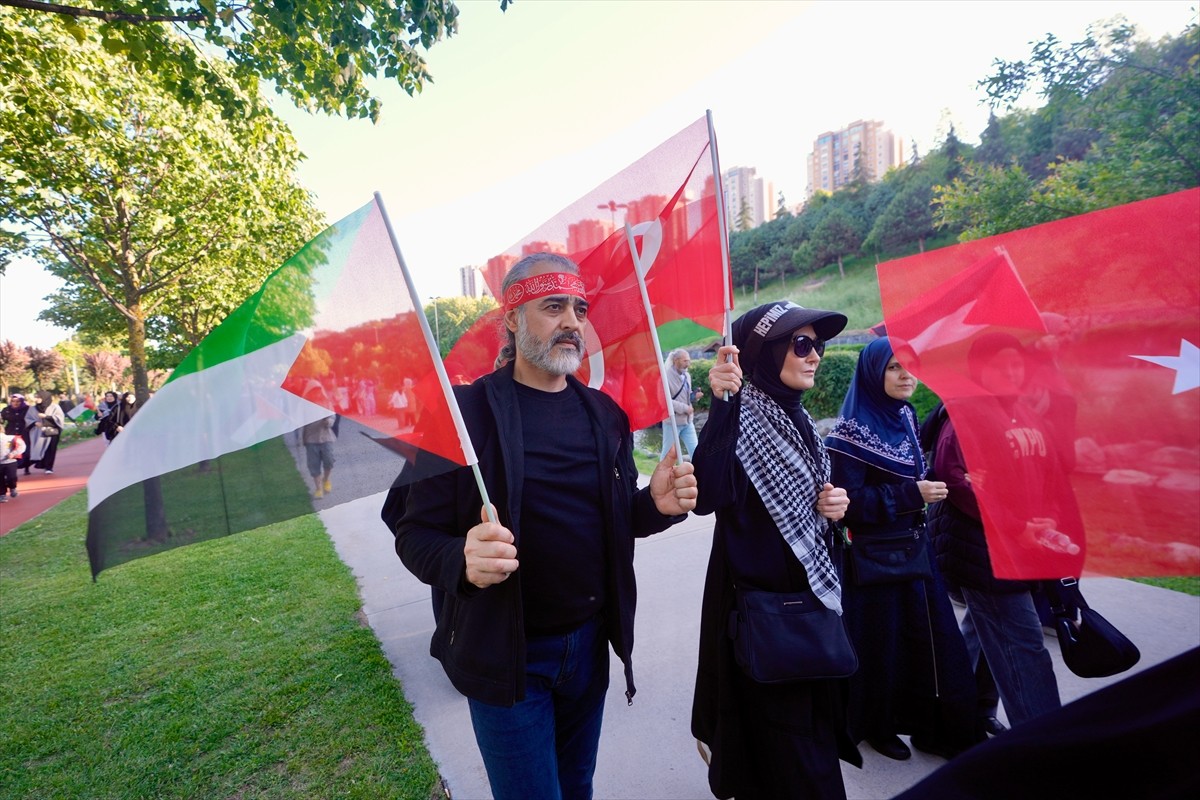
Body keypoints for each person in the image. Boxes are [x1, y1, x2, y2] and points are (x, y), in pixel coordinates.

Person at [386, 252, 697, 800]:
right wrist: (461, 560)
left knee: (577, 786)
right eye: (553, 307)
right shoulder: (465, 416)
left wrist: (655, 505)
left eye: (579, 309)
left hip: (589, 647)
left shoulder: (605, 416)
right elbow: (412, 533)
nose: (572, 322)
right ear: (511, 318)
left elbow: (616, 518)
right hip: (508, 657)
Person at [690, 301, 860, 800]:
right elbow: (708, 495)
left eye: (819, 346)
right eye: (801, 344)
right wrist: (722, 405)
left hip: (809, 617)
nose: (815, 357)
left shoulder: (799, 421)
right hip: (767, 623)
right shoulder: (742, 420)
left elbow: (809, 514)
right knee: (797, 764)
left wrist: (834, 506)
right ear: (762, 354)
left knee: (799, 753)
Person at [825, 337, 982, 761]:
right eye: (894, 367)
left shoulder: (906, 415)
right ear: (874, 374)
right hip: (876, 561)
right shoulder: (848, 433)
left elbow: (916, 470)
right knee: (883, 647)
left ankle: (932, 724)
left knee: (929, 642)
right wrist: (911, 495)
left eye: (910, 365)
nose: (906, 375)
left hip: (916, 548)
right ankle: (879, 726)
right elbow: (847, 505)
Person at [926, 333, 1080, 728]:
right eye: (1002, 365)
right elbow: (955, 480)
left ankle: (963, 718)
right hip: (983, 551)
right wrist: (1014, 524)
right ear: (980, 369)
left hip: (1022, 546)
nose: (1013, 371)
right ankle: (1044, 743)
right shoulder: (964, 412)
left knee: (982, 631)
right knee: (1024, 645)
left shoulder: (1025, 411)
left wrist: (1043, 519)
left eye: (1018, 364)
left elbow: (1048, 470)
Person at [661, 348, 701, 461]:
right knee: (667, 453)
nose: (687, 364)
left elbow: (687, 397)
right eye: (684, 361)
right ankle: (662, 477)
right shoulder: (666, 377)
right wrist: (685, 408)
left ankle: (700, 477)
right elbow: (665, 400)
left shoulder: (687, 376)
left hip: (688, 421)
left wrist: (694, 397)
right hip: (672, 421)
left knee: (696, 451)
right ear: (675, 360)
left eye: (688, 361)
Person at [299, 381, 337, 499]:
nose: (316, 393)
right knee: (313, 465)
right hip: (311, 439)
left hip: (326, 437)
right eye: (313, 391)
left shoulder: (326, 403)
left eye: (318, 390)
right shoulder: (304, 405)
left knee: (329, 461)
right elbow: (298, 419)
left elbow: (332, 417)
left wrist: (328, 421)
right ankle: (318, 488)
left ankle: (326, 480)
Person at [28, 390, 64, 473]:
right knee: (39, 448)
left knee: (50, 449)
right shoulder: (33, 408)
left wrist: (46, 417)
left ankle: (49, 467)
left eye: (39, 397)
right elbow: (28, 418)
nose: (37, 399)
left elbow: (59, 419)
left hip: (52, 432)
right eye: (36, 397)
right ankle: (41, 463)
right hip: (38, 432)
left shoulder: (55, 407)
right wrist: (34, 423)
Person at [2, 394, 32, 475]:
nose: (15, 403)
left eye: (18, 401)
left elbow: (32, 419)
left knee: (26, 450)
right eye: (13, 401)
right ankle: (12, 469)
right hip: (10, 433)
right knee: (11, 450)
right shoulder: (7, 410)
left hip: (24, 432)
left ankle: (26, 467)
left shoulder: (27, 409)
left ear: (21, 401)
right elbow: (2, 420)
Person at [0, 430, 26, 501]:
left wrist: (14, 453)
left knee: (11, 477)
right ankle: (2, 494)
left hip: (10, 461)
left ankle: (12, 487)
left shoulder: (11, 438)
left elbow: (22, 446)